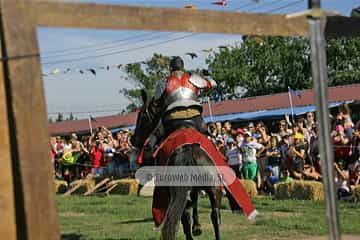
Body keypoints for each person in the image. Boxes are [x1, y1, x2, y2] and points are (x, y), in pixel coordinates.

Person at [130, 56, 217, 149]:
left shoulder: (164, 82)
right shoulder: (194, 78)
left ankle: (147, 155)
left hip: (172, 121)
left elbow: (156, 103)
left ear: (170, 68)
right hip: (196, 119)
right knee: (211, 140)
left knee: (153, 140)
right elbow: (213, 83)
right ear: (182, 67)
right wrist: (206, 77)